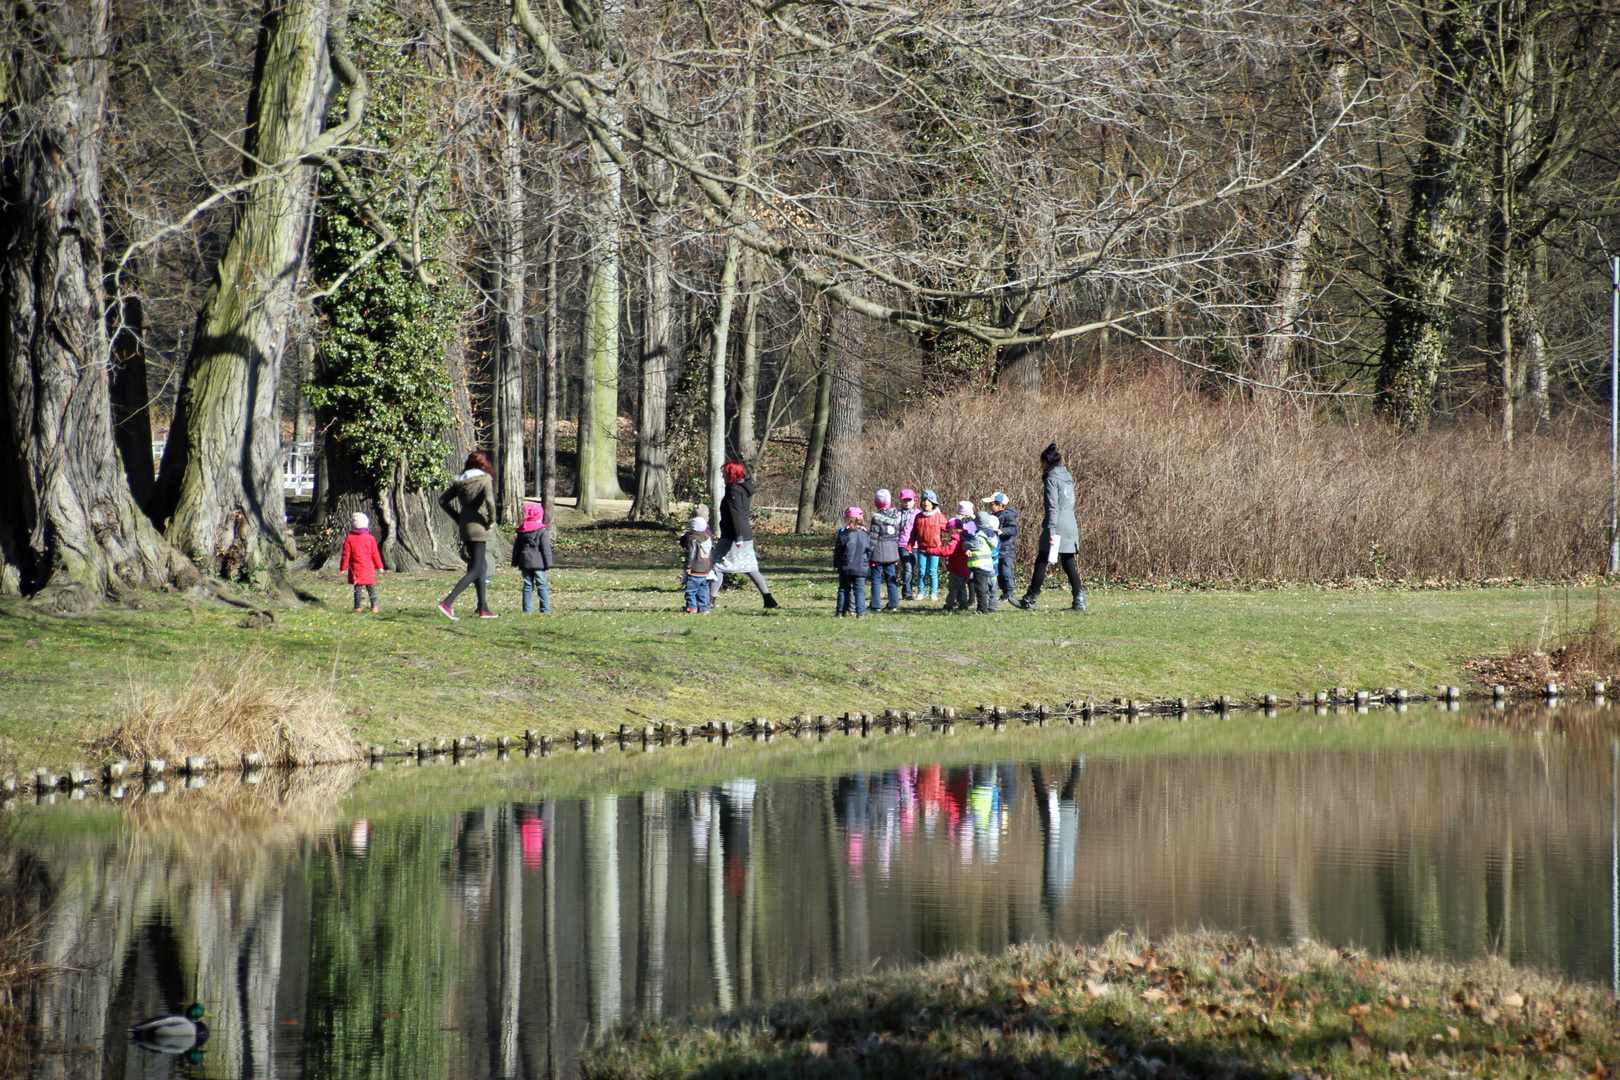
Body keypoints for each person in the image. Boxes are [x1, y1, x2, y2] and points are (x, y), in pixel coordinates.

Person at [1011, 443, 1086, 612]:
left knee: (1042, 560)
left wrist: (1051, 529)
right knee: (1068, 563)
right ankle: (1079, 600)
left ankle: (1029, 600)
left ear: (1046, 462)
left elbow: (1052, 506)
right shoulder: (1066, 477)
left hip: (1057, 523)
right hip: (1070, 522)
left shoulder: (1051, 479)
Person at [437, 451, 497, 620]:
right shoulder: (484, 479)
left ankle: (483, 608)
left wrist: (458, 517)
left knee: (481, 565)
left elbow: (443, 501)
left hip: (465, 526)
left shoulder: (461, 481)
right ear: (483, 464)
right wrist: (491, 520)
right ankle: (447, 603)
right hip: (480, 526)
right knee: (477, 567)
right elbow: (490, 502)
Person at [712, 461, 779, 610]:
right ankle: (768, 599)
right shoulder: (743, 488)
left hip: (733, 535)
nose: (723, 476)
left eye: (725, 473)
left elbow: (736, 515)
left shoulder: (733, 491)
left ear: (731, 474)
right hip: (743, 534)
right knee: (750, 567)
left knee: (717, 566)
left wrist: (738, 538)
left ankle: (710, 600)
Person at [510, 500, 555, 613]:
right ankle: (545, 609)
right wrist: (548, 563)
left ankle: (527, 610)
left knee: (527, 586)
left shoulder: (522, 529)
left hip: (524, 561)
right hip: (539, 562)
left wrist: (515, 561)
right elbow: (546, 548)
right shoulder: (542, 529)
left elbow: (517, 548)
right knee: (542, 585)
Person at [340, 511, 386, 613]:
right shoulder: (370, 538)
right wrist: (380, 567)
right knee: (371, 588)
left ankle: (357, 607)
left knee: (358, 589)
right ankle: (374, 606)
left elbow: (346, 555)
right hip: (368, 568)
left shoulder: (349, 538)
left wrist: (343, 568)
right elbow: (375, 554)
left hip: (356, 569)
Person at [868, 489, 903, 612]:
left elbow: (873, 537)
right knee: (891, 577)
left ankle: (876, 604)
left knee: (876, 579)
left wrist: (869, 553)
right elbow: (897, 536)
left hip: (878, 552)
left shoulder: (876, 518)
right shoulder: (897, 516)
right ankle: (894, 603)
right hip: (892, 552)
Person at [833, 507, 872, 617]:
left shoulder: (844, 534)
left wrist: (836, 563)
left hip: (845, 566)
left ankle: (840, 612)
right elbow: (869, 551)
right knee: (859, 590)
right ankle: (861, 613)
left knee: (843, 589)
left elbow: (838, 551)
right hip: (861, 567)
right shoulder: (866, 535)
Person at [981, 492, 1018, 602]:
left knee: (1005, 570)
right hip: (997, 549)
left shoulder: (1007, 515)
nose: (989, 507)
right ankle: (1003, 591)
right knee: (999, 572)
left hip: (1007, 549)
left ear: (1000, 505)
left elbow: (1014, 529)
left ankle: (1009, 592)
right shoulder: (993, 515)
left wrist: (1003, 531)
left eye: (991, 504)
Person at [911, 490, 947, 602]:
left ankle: (933, 593)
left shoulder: (939, 516)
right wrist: (910, 545)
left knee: (932, 572)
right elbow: (913, 533)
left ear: (933, 503)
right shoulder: (918, 517)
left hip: (935, 550)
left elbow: (948, 528)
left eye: (929, 501)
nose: (926, 503)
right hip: (921, 548)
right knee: (921, 572)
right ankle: (920, 592)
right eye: (924, 501)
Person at [941, 514, 976, 612]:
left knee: (953, 588)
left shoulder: (956, 538)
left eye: (949, 531)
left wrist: (933, 551)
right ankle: (963, 605)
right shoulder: (967, 536)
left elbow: (948, 551)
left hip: (957, 568)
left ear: (954, 529)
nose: (948, 534)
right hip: (966, 568)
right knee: (962, 587)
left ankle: (949, 605)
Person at [680, 515, 715, 613]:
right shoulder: (707, 539)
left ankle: (692, 607)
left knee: (691, 590)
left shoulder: (693, 540)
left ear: (693, 528)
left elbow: (690, 554)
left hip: (695, 570)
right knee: (703, 591)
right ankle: (704, 608)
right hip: (705, 571)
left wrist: (688, 567)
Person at [972, 510, 1002, 613]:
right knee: (992, 588)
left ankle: (983, 608)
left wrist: (966, 544)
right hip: (993, 567)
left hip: (982, 565)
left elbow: (974, 545)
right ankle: (992, 608)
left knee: (982, 588)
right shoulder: (994, 538)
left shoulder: (980, 536)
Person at [896, 489, 921, 599]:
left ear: (914, 500)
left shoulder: (918, 514)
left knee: (913, 568)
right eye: (904, 500)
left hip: (915, 545)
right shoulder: (898, 514)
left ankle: (913, 589)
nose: (907, 503)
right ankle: (907, 593)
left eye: (909, 500)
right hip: (902, 544)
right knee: (908, 568)